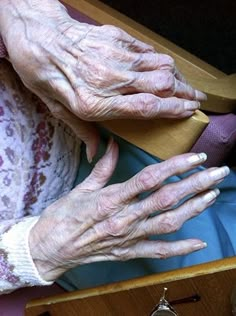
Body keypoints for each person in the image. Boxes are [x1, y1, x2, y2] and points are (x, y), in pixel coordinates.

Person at [0, 0, 234, 294]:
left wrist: (22, 17)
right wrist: (35, 250)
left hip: (77, 122)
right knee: (209, 283)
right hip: (54, 219)